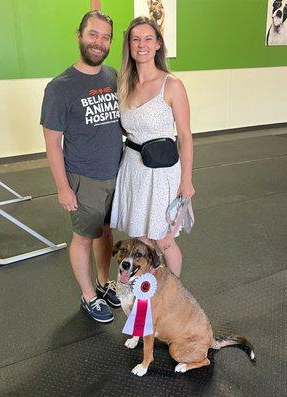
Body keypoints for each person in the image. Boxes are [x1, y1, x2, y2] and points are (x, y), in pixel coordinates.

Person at [40, 11, 123, 324]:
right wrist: (63, 187)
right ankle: (89, 297)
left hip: (116, 173)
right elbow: (52, 143)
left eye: (104, 37)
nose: (98, 42)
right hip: (83, 177)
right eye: (93, 34)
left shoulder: (112, 75)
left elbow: (118, 123)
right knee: (83, 237)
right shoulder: (59, 87)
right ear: (80, 36)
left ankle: (103, 284)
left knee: (106, 231)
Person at [110, 16, 195, 277]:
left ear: (158, 44)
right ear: (129, 46)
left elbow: (185, 135)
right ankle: (147, 295)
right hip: (134, 169)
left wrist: (186, 180)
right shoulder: (124, 85)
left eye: (148, 38)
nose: (142, 44)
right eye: (135, 39)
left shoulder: (172, 85)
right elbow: (127, 128)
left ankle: (174, 293)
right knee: (141, 238)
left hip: (162, 173)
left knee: (163, 240)